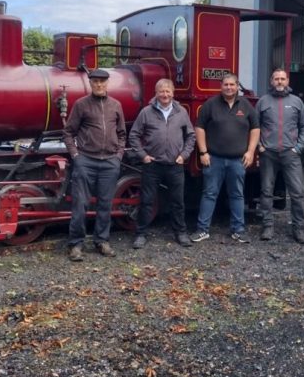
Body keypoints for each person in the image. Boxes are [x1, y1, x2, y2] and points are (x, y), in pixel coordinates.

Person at [63, 68, 127, 262]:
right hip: (86, 161)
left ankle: (102, 241)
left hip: (109, 162)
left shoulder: (116, 105)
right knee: (80, 204)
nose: (99, 85)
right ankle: (76, 244)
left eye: (102, 82)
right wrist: (76, 155)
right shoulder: (81, 105)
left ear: (107, 84)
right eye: (95, 82)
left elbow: (122, 133)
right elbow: (68, 132)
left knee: (105, 204)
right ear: (90, 84)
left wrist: (118, 156)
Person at [191, 74, 259, 244]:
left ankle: (238, 231)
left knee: (237, 195)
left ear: (237, 87)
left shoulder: (246, 105)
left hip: (238, 160)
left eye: (232, 85)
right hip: (214, 159)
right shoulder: (211, 104)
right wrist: (203, 152)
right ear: (221, 86)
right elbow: (199, 128)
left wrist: (250, 151)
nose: (229, 87)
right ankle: (202, 230)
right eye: (226, 84)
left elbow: (255, 129)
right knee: (209, 194)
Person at [128, 78, 196, 248]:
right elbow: (134, 135)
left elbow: (191, 135)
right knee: (147, 200)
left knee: (178, 201)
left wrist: (184, 155)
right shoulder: (146, 112)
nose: (165, 94)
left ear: (173, 93)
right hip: (153, 165)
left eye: (168, 91)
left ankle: (180, 233)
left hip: (175, 164)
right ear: (156, 93)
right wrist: (143, 155)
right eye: (161, 91)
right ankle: (141, 234)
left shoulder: (181, 112)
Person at [256, 68, 304, 243]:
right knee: (266, 191)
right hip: (268, 154)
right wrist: (259, 146)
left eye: (283, 79)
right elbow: (254, 127)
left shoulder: (296, 102)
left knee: (297, 193)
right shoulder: (263, 102)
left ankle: (298, 229)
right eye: (276, 79)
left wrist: (299, 147)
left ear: (288, 81)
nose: (279, 82)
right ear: (271, 81)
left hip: (290, 154)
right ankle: (267, 226)